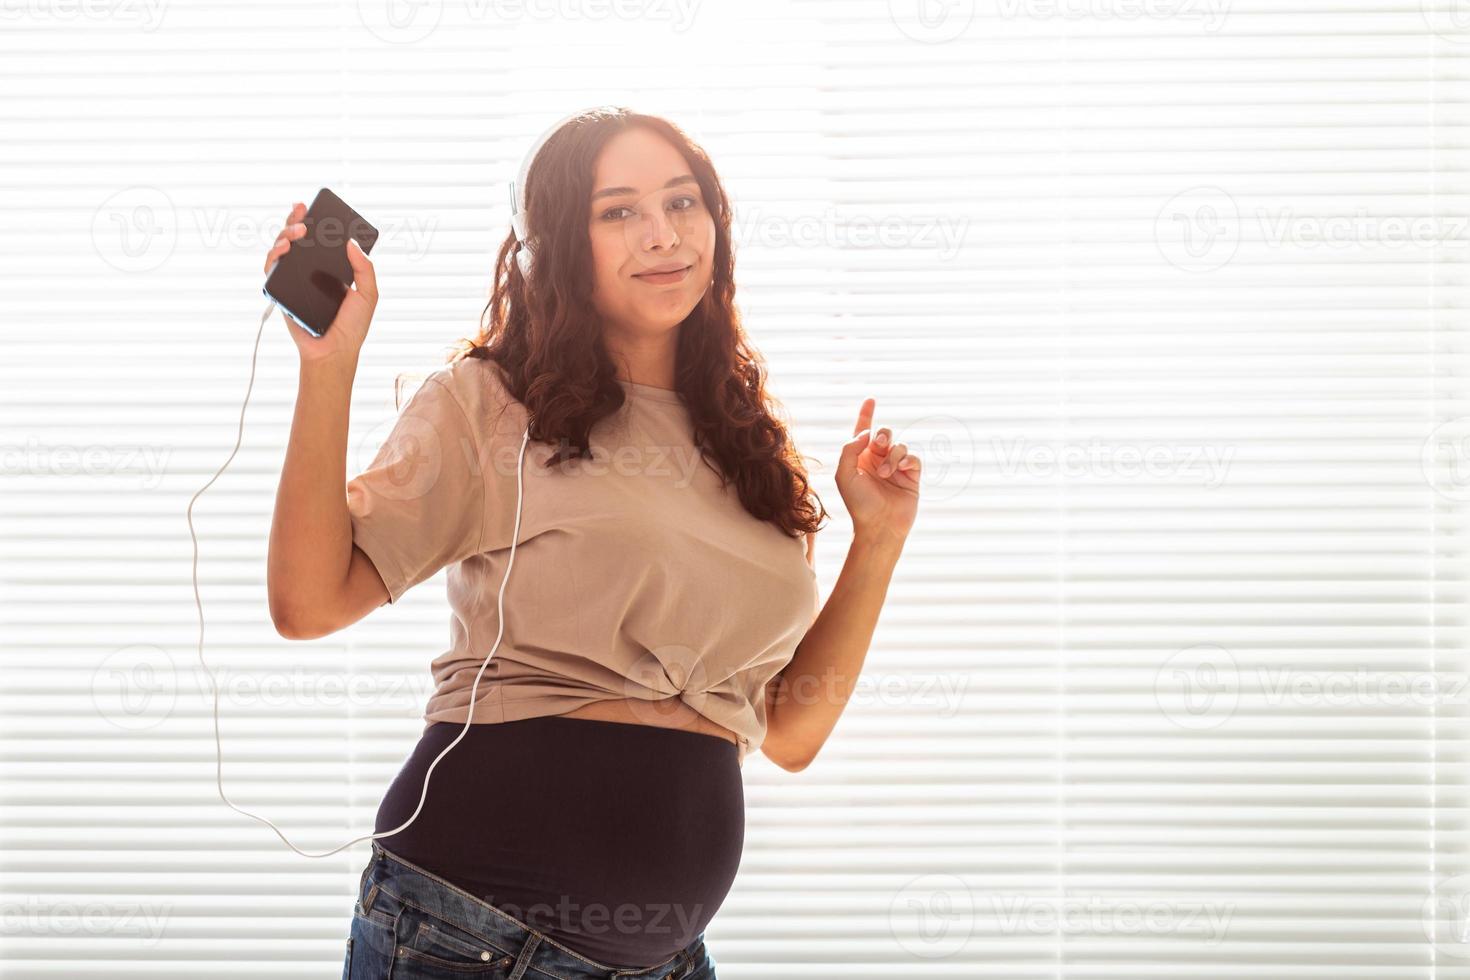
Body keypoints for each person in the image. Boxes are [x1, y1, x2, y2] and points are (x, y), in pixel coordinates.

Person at [264, 107, 921, 980]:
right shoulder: (490, 402)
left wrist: (877, 538)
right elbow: (308, 604)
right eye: (617, 211)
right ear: (554, 245)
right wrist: (328, 368)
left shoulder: (746, 444)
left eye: (682, 202)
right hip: (470, 936)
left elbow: (788, 733)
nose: (662, 234)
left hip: (662, 961)